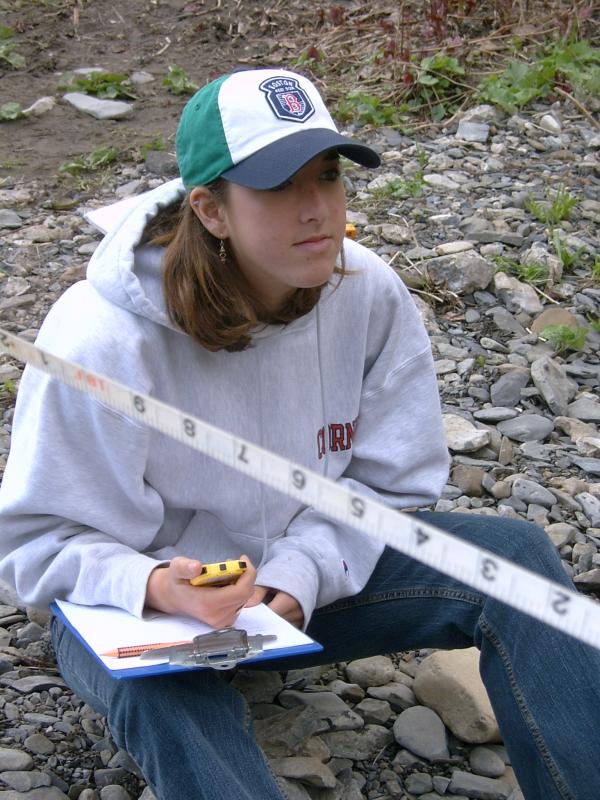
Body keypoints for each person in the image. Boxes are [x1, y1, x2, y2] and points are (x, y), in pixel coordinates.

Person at [0, 67, 598, 800]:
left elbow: (390, 482)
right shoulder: (98, 341)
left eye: (327, 175)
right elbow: (36, 545)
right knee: (170, 700)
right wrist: (156, 585)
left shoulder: (367, 290)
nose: (316, 209)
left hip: (298, 588)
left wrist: (298, 574)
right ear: (211, 210)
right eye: (279, 186)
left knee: (520, 561)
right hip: (138, 615)